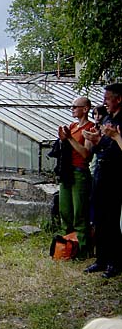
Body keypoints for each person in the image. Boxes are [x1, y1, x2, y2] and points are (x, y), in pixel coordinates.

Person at [83, 83, 122, 278]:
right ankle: (101, 259)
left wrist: (114, 136)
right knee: (98, 217)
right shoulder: (107, 119)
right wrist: (95, 140)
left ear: (118, 99)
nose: (104, 102)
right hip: (101, 173)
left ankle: (115, 262)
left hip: (116, 176)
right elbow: (101, 148)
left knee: (112, 220)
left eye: (107, 98)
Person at [56, 97, 94, 258]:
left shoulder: (90, 129)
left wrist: (70, 138)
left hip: (80, 172)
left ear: (85, 109)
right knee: (65, 209)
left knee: (80, 211)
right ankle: (67, 244)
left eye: (75, 106)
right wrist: (63, 139)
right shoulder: (72, 126)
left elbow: (86, 154)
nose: (72, 109)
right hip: (67, 172)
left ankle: (83, 247)